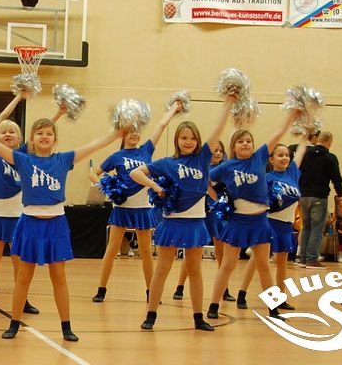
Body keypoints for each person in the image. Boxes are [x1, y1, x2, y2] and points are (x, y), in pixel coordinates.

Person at [0, 117, 127, 342]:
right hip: (29, 223)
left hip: (56, 224)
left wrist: (116, 134)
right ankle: (14, 323)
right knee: (23, 277)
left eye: (49, 133)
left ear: (55, 139)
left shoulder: (64, 159)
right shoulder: (22, 159)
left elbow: (93, 145)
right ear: (31, 139)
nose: (44, 137)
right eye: (39, 133)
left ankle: (66, 327)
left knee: (59, 277)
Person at [129, 97, 233, 331]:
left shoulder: (203, 158)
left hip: (195, 222)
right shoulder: (167, 162)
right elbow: (136, 173)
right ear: (177, 140)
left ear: (198, 140)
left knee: (195, 270)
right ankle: (151, 315)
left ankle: (198, 318)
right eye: (183, 138)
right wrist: (155, 187)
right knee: (162, 269)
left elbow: (218, 130)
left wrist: (228, 104)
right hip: (172, 222)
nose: (188, 142)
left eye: (192, 138)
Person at [0, 89, 66, 315]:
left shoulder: (24, 155)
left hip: (19, 216)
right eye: (3, 132)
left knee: (20, 262)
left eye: (12, 132)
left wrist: (59, 114)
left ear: (20, 138)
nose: (7, 134)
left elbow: (41, 132)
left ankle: (23, 301)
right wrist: (18, 97)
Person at [206, 106, 300, 321]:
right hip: (237, 221)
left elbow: (278, 133)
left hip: (260, 221)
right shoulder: (227, 166)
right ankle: (213, 305)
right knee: (227, 265)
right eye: (240, 141)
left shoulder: (259, 158)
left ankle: (273, 309)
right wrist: (218, 199)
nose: (245, 144)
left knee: (264, 266)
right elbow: (206, 180)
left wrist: (291, 116)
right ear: (233, 146)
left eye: (248, 140)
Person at [90, 101, 182, 303]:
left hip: (143, 207)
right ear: (123, 134)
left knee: (146, 252)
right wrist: (107, 187)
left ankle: (151, 291)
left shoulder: (146, 150)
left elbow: (161, 126)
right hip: (122, 207)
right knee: (112, 249)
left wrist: (173, 110)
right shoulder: (116, 156)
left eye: (137, 131)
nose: (134, 134)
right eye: (130, 131)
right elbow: (93, 173)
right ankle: (101, 289)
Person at [236, 137, 307, 311]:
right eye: (280, 155)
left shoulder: (292, 172)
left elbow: (301, 152)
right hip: (269, 222)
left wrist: (305, 135)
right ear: (271, 159)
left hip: (286, 225)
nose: (284, 158)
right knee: (257, 260)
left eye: (287, 155)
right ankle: (242, 293)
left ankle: (281, 298)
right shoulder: (266, 178)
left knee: (282, 262)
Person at [173, 140, 234, 302]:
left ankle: (225, 289)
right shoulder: (200, 168)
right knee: (192, 252)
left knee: (221, 253)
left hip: (218, 215)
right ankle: (180, 286)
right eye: (215, 150)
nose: (218, 153)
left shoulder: (225, 170)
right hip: (201, 213)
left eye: (221, 151)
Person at [297, 131, 342, 269]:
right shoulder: (330, 158)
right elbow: (337, 179)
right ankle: (312, 259)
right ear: (329, 142)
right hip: (319, 196)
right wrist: (340, 195)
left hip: (303, 195)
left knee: (306, 228)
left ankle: (302, 258)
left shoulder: (305, 154)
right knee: (317, 229)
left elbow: (297, 173)